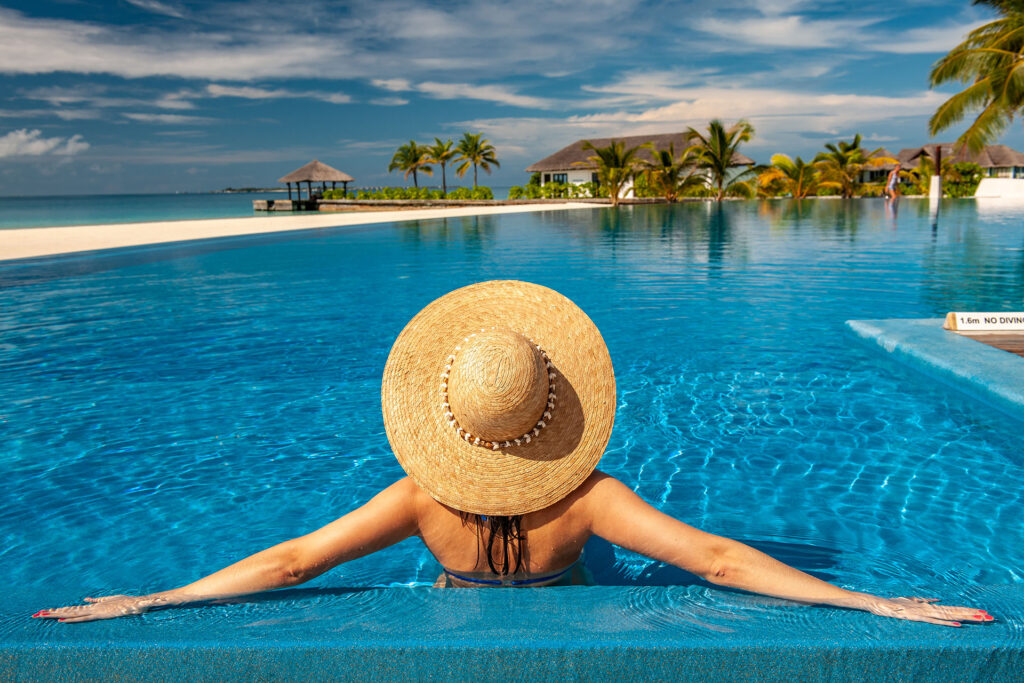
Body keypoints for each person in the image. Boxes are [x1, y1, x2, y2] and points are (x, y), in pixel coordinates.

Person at [33, 281, 991, 626]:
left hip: (452, 597)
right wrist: (871, 599)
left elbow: (291, 561)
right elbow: (719, 559)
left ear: (448, 421)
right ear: (553, 409)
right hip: (568, 588)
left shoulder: (416, 498)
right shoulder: (591, 499)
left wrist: (153, 598)